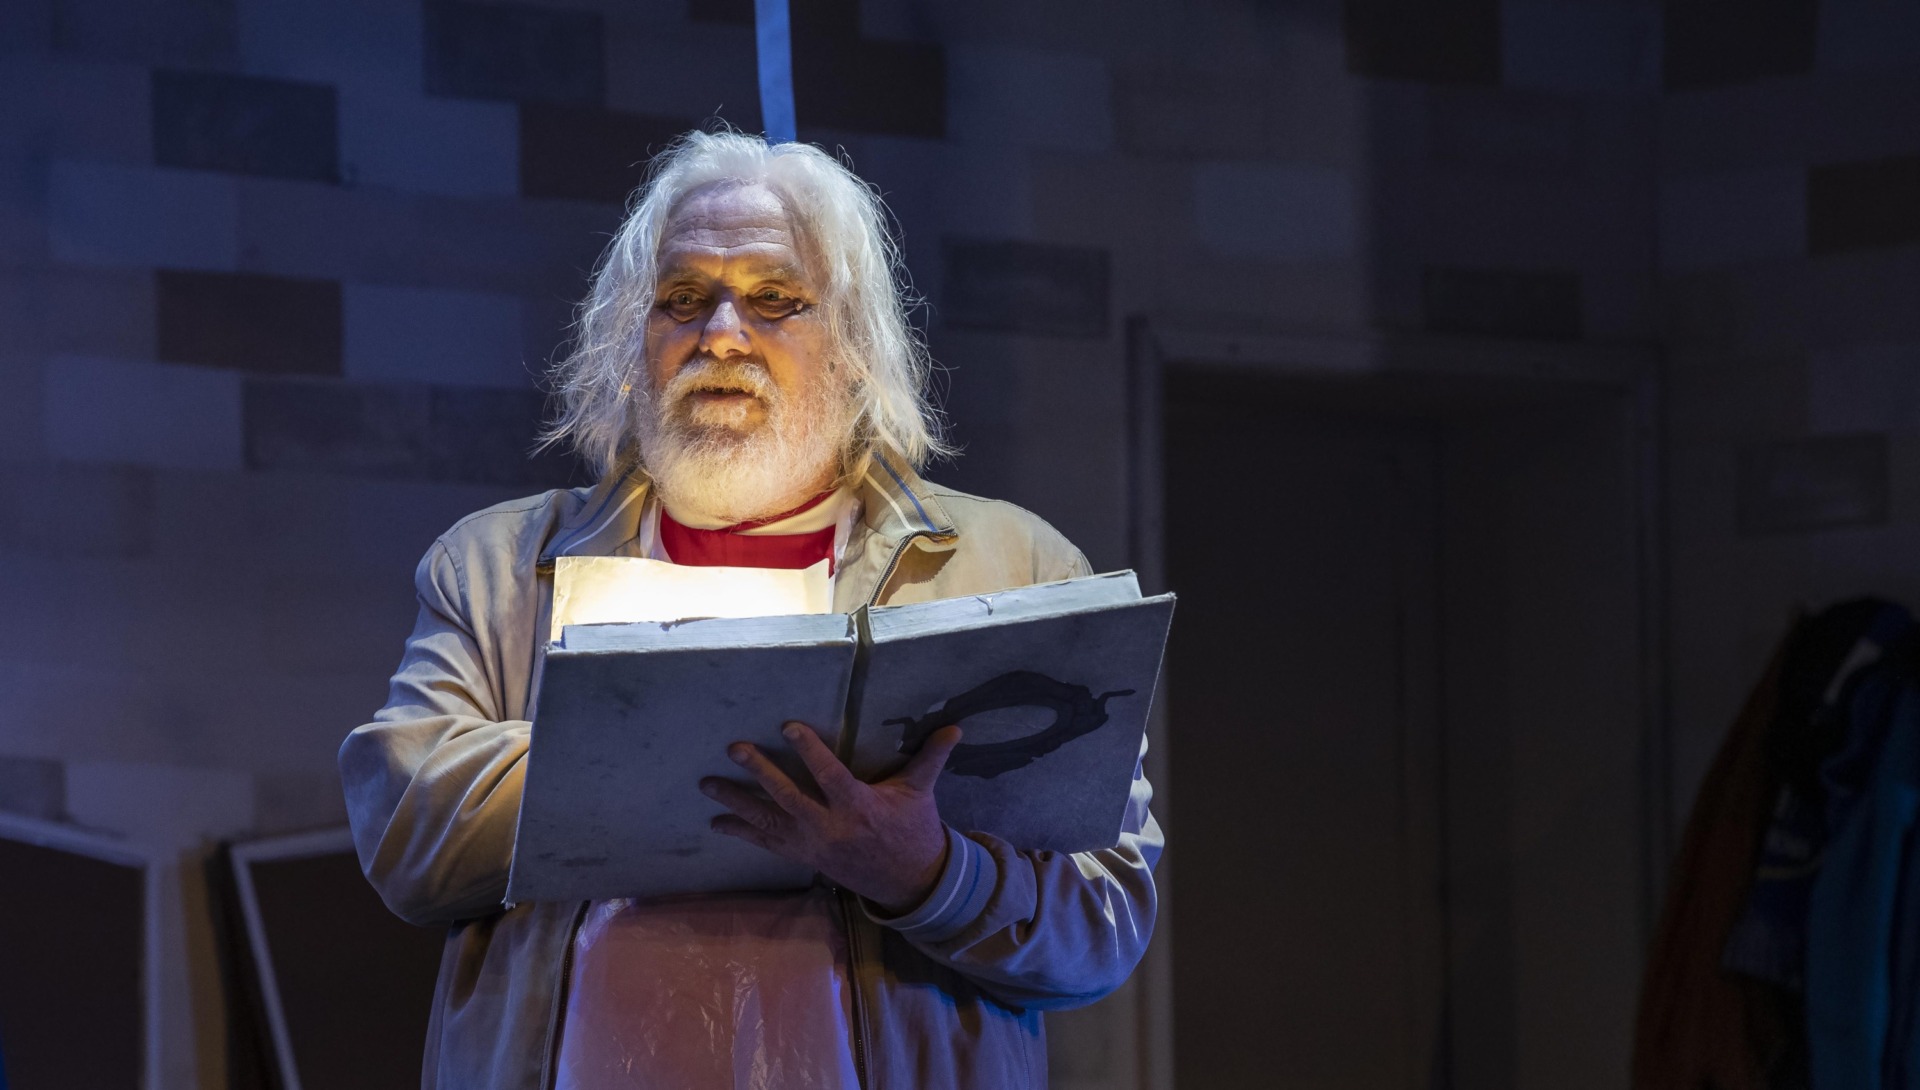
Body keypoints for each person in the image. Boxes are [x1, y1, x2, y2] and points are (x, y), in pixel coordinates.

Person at [339, 129, 1162, 1090]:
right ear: (630, 344)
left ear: (853, 348)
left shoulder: (1012, 568)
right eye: (682, 300)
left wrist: (929, 871)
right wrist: (662, 752)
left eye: (774, 301)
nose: (721, 333)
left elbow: (1106, 919)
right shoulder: (498, 568)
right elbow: (406, 826)